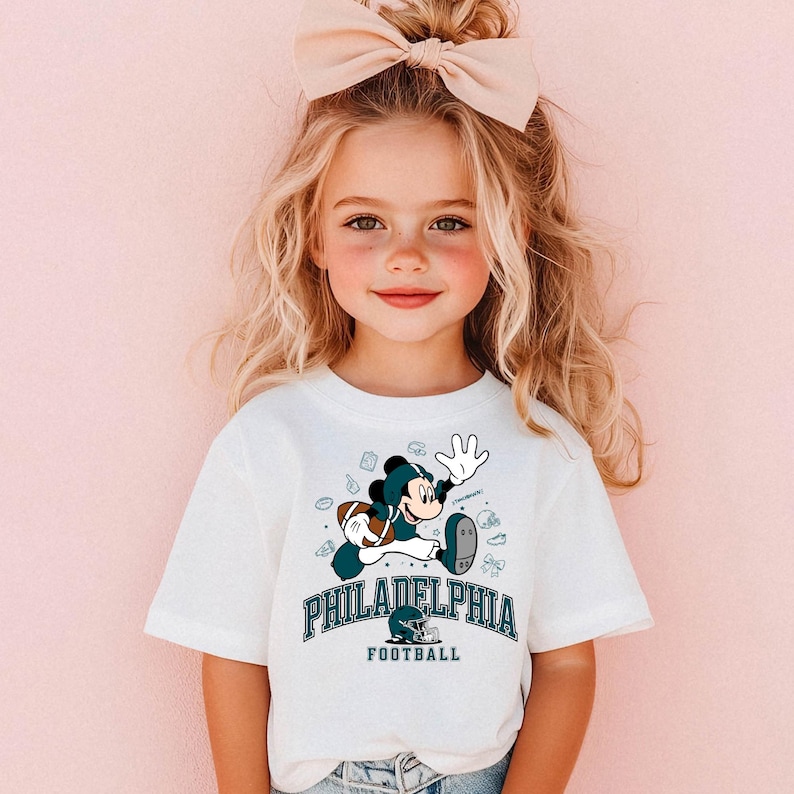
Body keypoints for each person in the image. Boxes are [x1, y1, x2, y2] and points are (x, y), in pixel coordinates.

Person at [144, 0, 654, 791]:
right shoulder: (269, 437)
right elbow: (232, 657)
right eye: (365, 221)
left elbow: (569, 666)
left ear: (510, 231)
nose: (405, 257)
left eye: (449, 222)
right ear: (313, 234)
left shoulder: (541, 446)